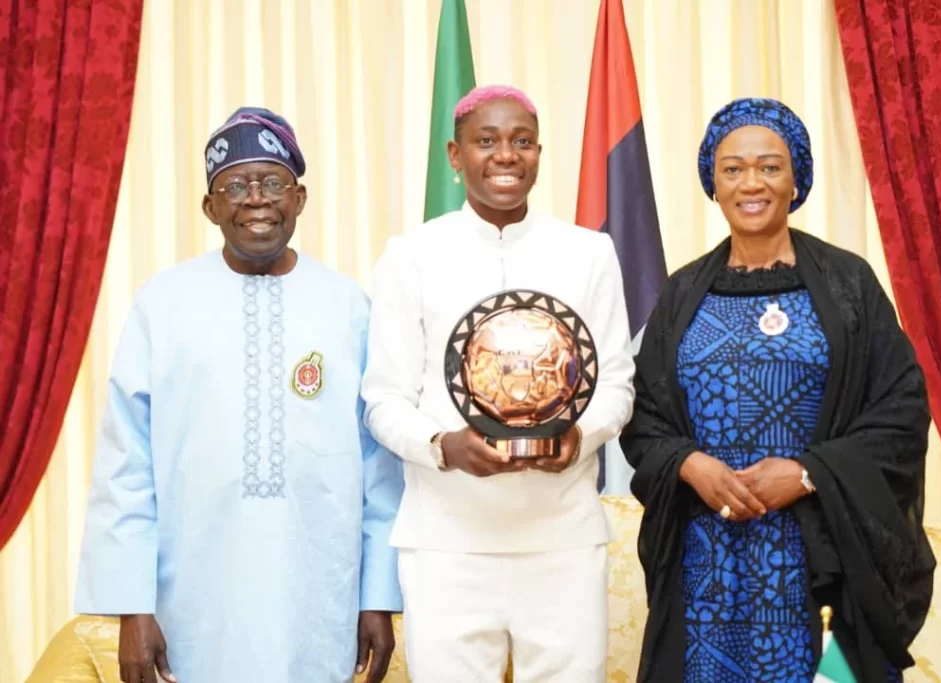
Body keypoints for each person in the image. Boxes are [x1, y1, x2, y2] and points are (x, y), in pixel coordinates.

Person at [74, 107, 403, 683]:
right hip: (195, 605)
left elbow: (380, 468)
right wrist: (133, 607)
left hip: (318, 599)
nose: (256, 199)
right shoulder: (164, 304)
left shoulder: (348, 307)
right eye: (235, 186)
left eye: (272, 182)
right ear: (210, 207)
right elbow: (127, 465)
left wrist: (378, 595)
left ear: (299, 198)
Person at [620, 97, 936, 683]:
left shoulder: (849, 286)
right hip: (705, 567)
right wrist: (689, 464)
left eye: (770, 166)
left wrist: (809, 472)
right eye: (732, 169)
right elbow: (644, 417)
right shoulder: (682, 293)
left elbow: (902, 410)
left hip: (821, 561)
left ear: (798, 180)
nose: (751, 183)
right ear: (712, 184)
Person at [360, 85, 635, 682]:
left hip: (561, 538)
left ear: (539, 153)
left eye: (521, 142)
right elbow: (383, 399)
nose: (506, 156)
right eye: (486, 142)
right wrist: (443, 446)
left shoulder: (589, 253)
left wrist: (580, 438)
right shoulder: (411, 256)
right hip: (446, 543)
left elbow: (617, 382)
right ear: (455, 157)